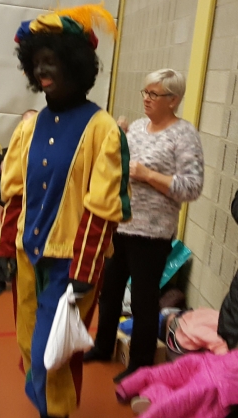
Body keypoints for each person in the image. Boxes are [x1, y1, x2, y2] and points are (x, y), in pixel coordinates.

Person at [7, 4, 131, 418]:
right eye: (37, 61)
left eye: (53, 60)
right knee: (28, 344)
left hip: (71, 262)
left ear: (75, 65)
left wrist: (85, 270)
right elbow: (16, 193)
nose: (43, 69)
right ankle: (47, 407)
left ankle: (55, 412)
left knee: (52, 352)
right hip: (28, 255)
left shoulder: (102, 129)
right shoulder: (29, 126)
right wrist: (6, 250)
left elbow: (103, 209)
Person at [84, 69, 204, 384]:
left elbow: (192, 187)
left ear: (173, 100)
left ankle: (140, 363)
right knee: (110, 292)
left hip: (152, 233)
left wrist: (149, 175)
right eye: (145, 92)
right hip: (120, 224)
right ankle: (103, 346)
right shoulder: (137, 128)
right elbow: (117, 165)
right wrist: (116, 138)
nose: (146, 99)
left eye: (154, 94)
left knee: (143, 300)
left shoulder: (184, 135)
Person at [0, 109, 38, 298]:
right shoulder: (12, 150)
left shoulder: (46, 148)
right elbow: (7, 176)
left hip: (38, 201)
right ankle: (1, 278)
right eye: (25, 123)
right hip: (17, 199)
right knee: (6, 237)